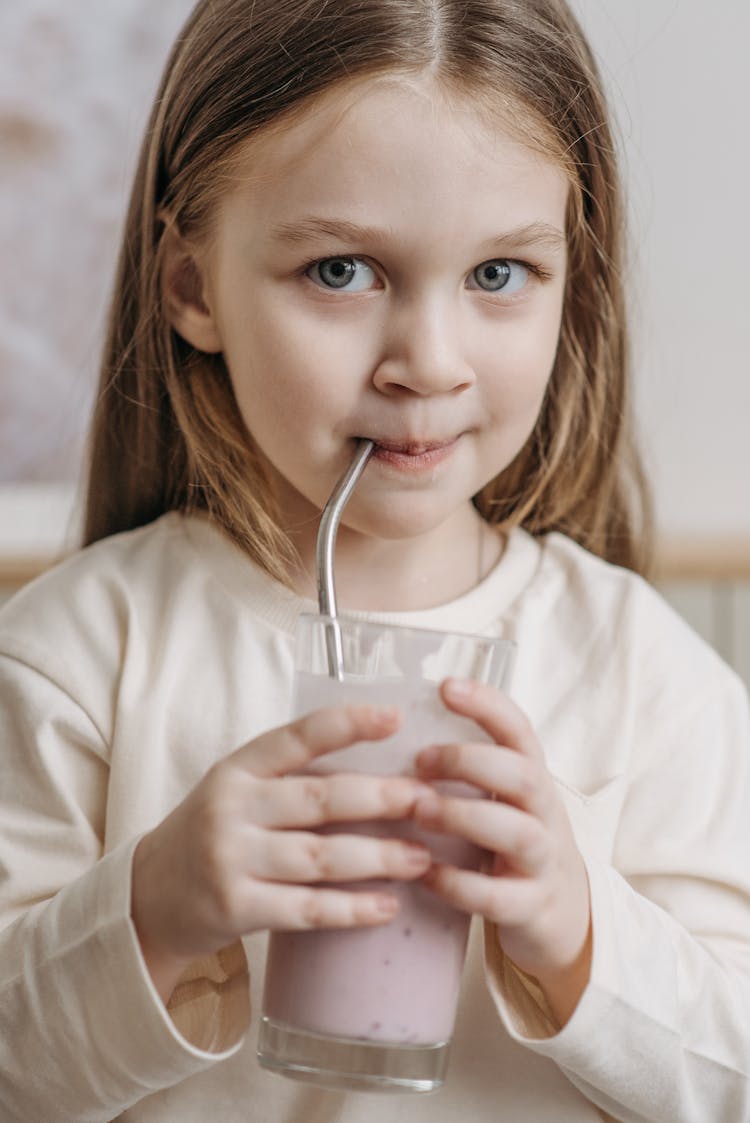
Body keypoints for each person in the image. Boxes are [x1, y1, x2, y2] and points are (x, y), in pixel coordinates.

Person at [1, 0, 749, 1119]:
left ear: (570, 285)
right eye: (342, 272)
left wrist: (584, 932)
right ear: (193, 287)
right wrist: (151, 911)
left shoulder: (642, 675)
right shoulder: (76, 658)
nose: (428, 364)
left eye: (499, 275)